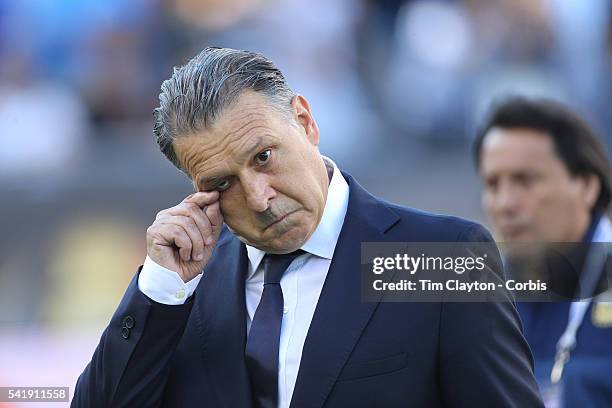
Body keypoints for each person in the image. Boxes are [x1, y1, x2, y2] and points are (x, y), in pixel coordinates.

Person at [72, 47, 543, 407]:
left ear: (305, 120)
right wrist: (158, 291)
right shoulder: (183, 290)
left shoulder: (442, 258)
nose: (258, 196)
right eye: (221, 183)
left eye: (263, 157)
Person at [474, 97, 612, 407]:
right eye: (493, 184)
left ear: (587, 185)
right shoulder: (471, 297)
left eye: (525, 180)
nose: (506, 203)